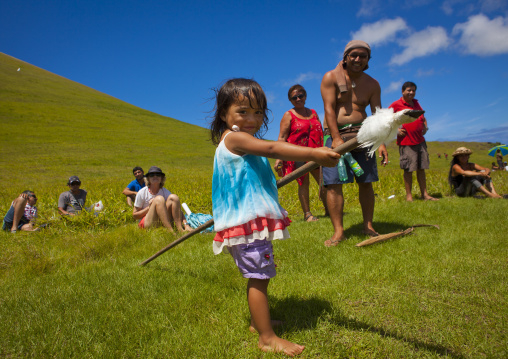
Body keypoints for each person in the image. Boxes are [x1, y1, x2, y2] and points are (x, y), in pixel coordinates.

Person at [210, 78, 340, 356]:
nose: (251, 119)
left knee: (260, 274)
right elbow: (272, 149)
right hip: (245, 224)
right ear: (224, 114)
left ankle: (260, 323)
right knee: (259, 276)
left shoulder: (240, 140)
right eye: (242, 111)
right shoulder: (234, 138)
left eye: (258, 112)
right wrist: (313, 154)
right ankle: (267, 337)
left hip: (245, 223)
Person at [320, 40, 387, 246]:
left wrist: (382, 142)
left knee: (366, 182)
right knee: (333, 184)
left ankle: (368, 225)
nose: (358, 59)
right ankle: (339, 231)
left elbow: (377, 114)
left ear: (368, 60)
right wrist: (336, 138)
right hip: (336, 135)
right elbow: (330, 109)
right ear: (346, 57)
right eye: (354, 55)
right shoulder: (330, 77)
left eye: (363, 56)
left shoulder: (373, 84)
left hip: (364, 135)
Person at [274, 84, 327, 222]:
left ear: (305, 96)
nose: (298, 99)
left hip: (316, 152)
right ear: (290, 100)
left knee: (323, 181)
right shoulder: (288, 115)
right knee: (303, 183)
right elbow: (282, 137)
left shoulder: (314, 113)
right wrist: (279, 158)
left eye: (300, 96)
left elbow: (320, 131)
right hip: (297, 153)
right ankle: (307, 214)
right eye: (294, 97)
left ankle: (329, 209)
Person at [389, 81, 438, 202]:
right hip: (406, 142)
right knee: (408, 169)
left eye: (413, 90)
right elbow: (387, 119)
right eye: (409, 90)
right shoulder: (396, 104)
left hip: (420, 141)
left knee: (422, 168)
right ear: (403, 91)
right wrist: (396, 130)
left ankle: (425, 195)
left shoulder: (416, 103)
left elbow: (423, 116)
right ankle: (409, 196)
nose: (411, 93)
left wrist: (426, 127)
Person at [133, 166, 192, 232]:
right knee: (159, 199)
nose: (155, 176)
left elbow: (178, 210)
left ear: (161, 178)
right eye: (152, 175)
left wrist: (186, 224)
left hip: (162, 221)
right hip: (147, 222)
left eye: (158, 175)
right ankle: (171, 231)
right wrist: (149, 208)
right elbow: (135, 215)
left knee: (174, 197)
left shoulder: (165, 191)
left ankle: (180, 229)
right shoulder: (142, 192)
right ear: (148, 179)